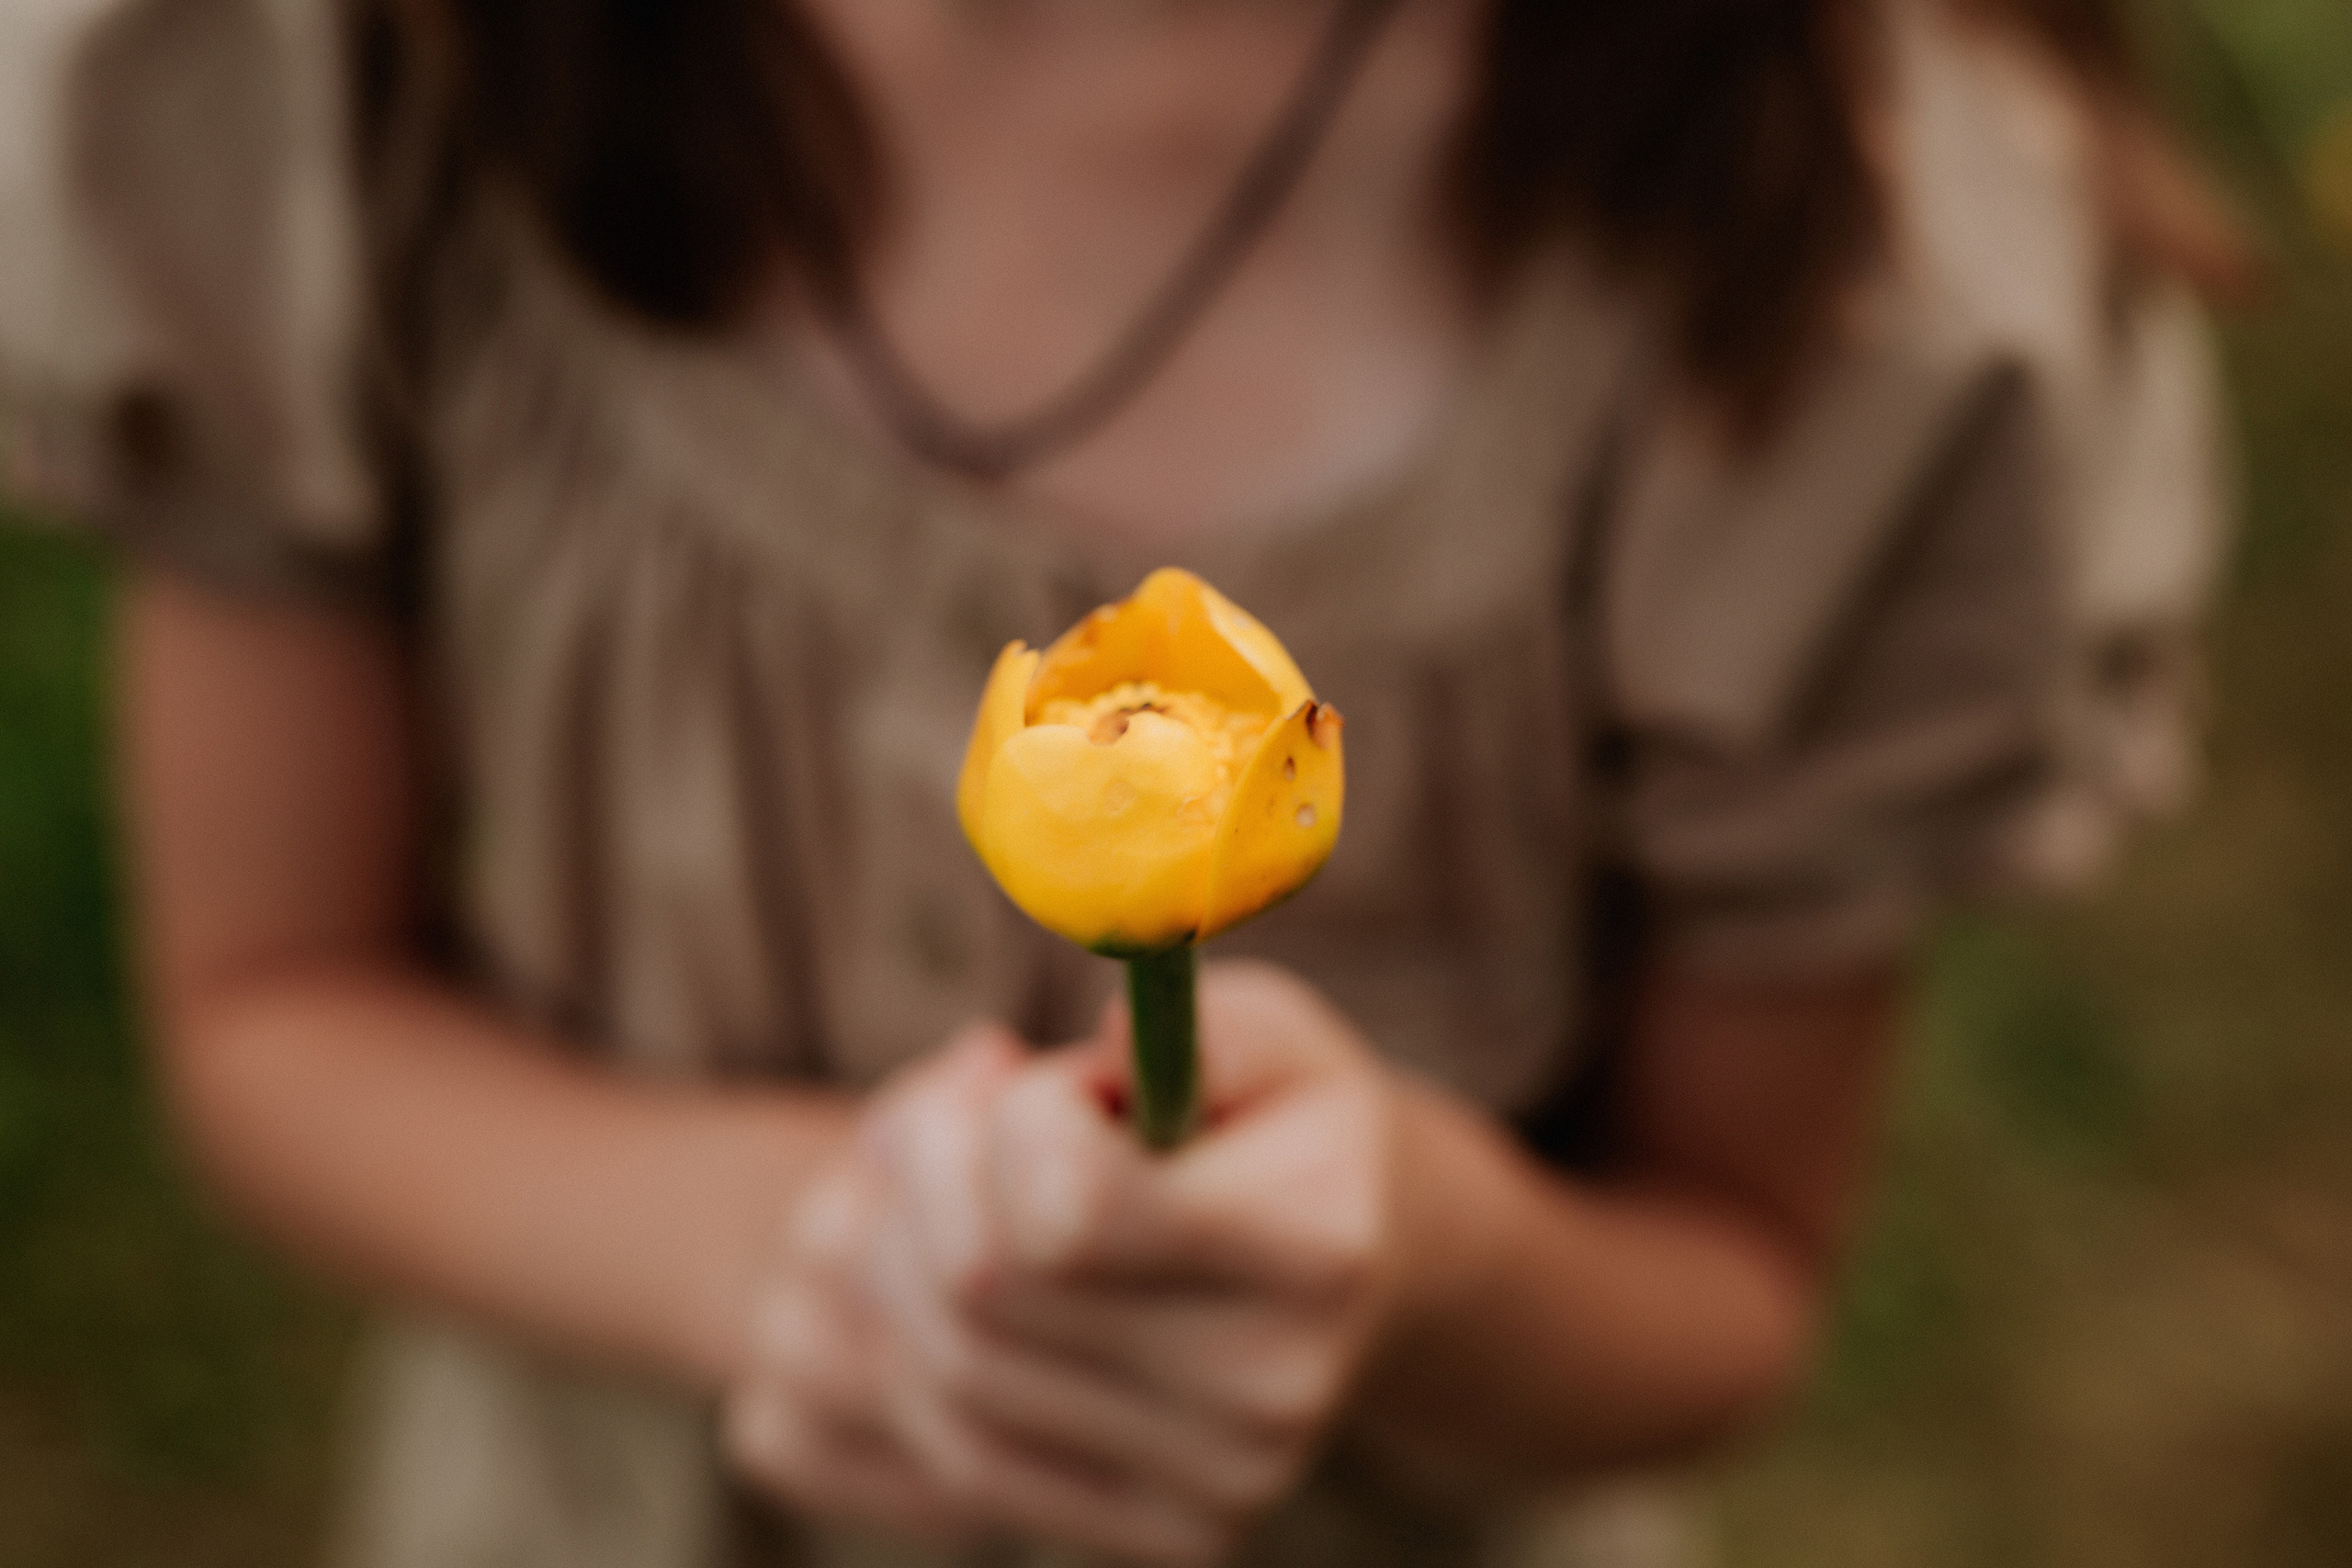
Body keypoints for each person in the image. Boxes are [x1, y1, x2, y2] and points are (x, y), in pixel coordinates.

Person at [0, 0, 2235, 1564]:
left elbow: (1724, 1275)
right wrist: (799, 1251)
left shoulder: (1849, 256)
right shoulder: (349, 62)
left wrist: (1430, 1258)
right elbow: (270, 1007)